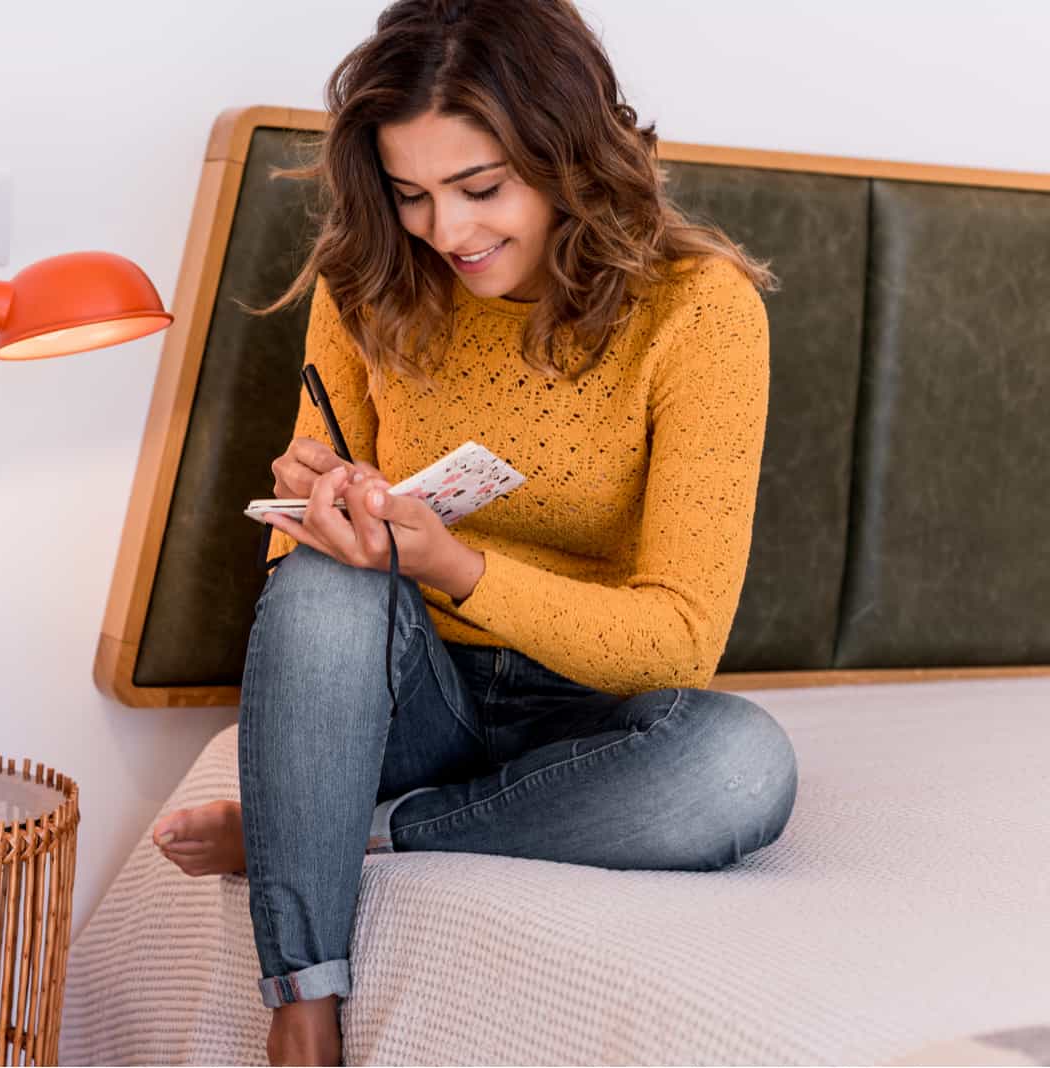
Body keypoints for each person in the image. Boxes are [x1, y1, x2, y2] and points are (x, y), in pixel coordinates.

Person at [152, 0, 799, 1062]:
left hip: (593, 712)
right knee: (320, 577)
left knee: (738, 768)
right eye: (411, 195)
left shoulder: (699, 312)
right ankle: (302, 1001)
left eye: (480, 188)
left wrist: (450, 560)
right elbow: (302, 598)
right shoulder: (365, 285)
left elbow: (680, 641)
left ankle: (343, 831)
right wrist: (316, 509)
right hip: (415, 696)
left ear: (568, 156)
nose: (446, 232)